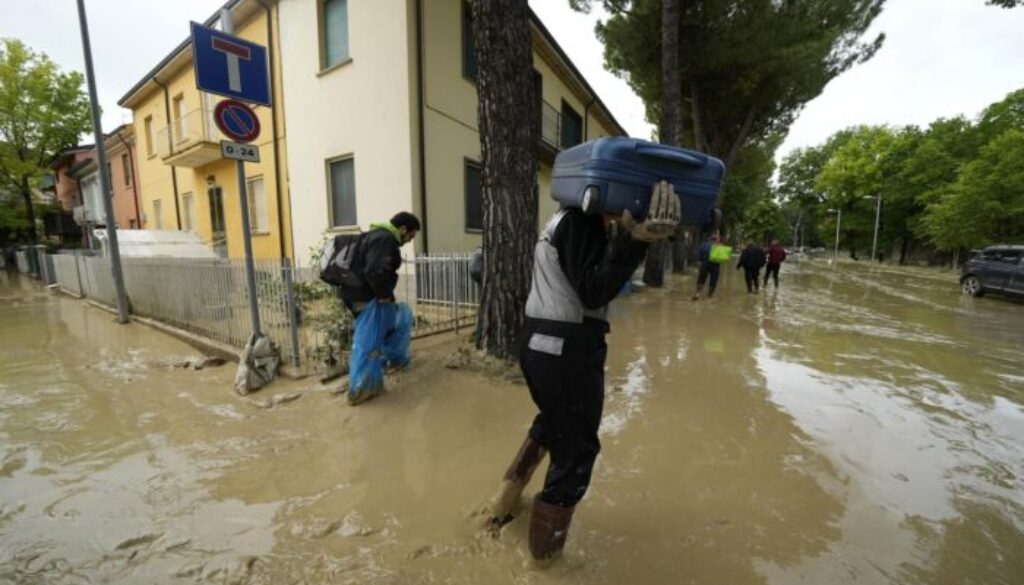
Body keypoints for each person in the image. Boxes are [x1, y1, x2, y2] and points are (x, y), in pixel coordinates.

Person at [486, 182, 680, 566]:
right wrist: (636, 242)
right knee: (576, 451)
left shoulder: (563, 219)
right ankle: (543, 561)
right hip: (565, 348)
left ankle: (501, 505)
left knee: (552, 423)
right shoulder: (581, 222)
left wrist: (627, 238)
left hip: (540, 343)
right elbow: (594, 291)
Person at [341, 212, 420, 405]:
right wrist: (385, 296)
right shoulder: (385, 239)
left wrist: (388, 299)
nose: (409, 241)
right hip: (367, 298)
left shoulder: (376, 236)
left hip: (359, 295)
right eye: (410, 236)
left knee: (396, 320)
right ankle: (361, 391)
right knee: (367, 344)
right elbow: (375, 271)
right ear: (402, 229)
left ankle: (388, 362)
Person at [691, 234, 721, 300]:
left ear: (710, 239)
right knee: (713, 281)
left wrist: (700, 264)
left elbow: (699, 256)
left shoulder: (704, 245)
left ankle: (698, 293)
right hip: (715, 265)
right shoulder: (719, 246)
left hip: (705, 263)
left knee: (701, 279)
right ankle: (709, 296)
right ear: (716, 240)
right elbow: (723, 258)